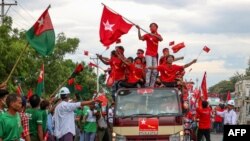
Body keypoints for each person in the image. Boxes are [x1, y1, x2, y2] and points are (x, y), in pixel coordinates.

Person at [136, 23, 163, 87]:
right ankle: (147, 84)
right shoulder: (147, 35)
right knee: (149, 68)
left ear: (156, 28)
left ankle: (152, 85)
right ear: (150, 28)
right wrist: (139, 30)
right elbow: (140, 38)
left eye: (154, 26)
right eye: (151, 27)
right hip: (148, 54)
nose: (152, 28)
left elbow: (161, 39)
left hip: (155, 55)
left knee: (155, 71)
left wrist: (154, 35)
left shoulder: (158, 35)